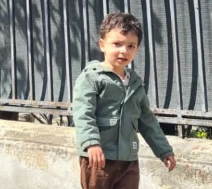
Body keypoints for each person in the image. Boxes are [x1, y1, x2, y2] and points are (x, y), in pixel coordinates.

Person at [72, 12, 176, 189]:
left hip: (128, 159)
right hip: (99, 157)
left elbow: (147, 120)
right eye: (117, 44)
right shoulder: (92, 77)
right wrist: (91, 143)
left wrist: (163, 150)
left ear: (137, 48)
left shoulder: (135, 83)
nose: (124, 51)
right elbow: (83, 113)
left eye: (131, 46)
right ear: (103, 45)